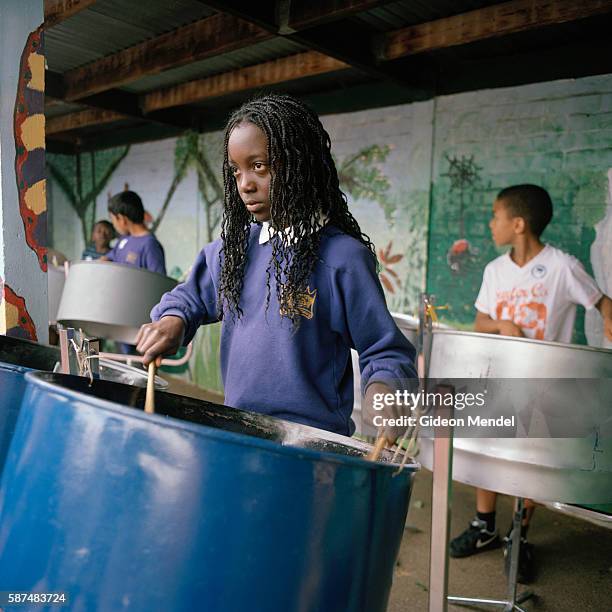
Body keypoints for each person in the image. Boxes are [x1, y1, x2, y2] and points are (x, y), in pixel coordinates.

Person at [135, 94, 417, 437]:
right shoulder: (232, 251)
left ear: (300, 164)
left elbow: (384, 349)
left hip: (311, 447)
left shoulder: (343, 259)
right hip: (239, 433)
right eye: (235, 171)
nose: (245, 185)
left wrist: (385, 393)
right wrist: (171, 321)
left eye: (259, 166)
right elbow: (189, 298)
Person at [450, 184, 612, 582]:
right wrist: (502, 324)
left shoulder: (563, 266)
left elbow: (602, 303)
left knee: (529, 463)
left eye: (496, 216)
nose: (491, 224)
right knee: (487, 451)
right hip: (498, 378)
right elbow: (480, 324)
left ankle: (518, 536)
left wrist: (608, 319)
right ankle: (484, 524)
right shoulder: (494, 271)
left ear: (518, 224)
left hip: (544, 385)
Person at [102, 190, 166, 276]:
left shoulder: (150, 245)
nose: (113, 224)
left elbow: (160, 282)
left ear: (121, 219)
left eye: (112, 219)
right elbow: (107, 258)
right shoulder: (124, 239)